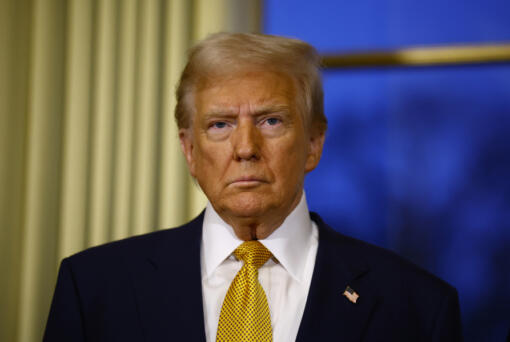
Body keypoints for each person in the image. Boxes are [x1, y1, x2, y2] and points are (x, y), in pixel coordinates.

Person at [44, 33, 462, 342]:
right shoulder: (95, 289)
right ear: (189, 150)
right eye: (220, 124)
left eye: (271, 121)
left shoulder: (418, 307)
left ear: (314, 144)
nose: (245, 148)